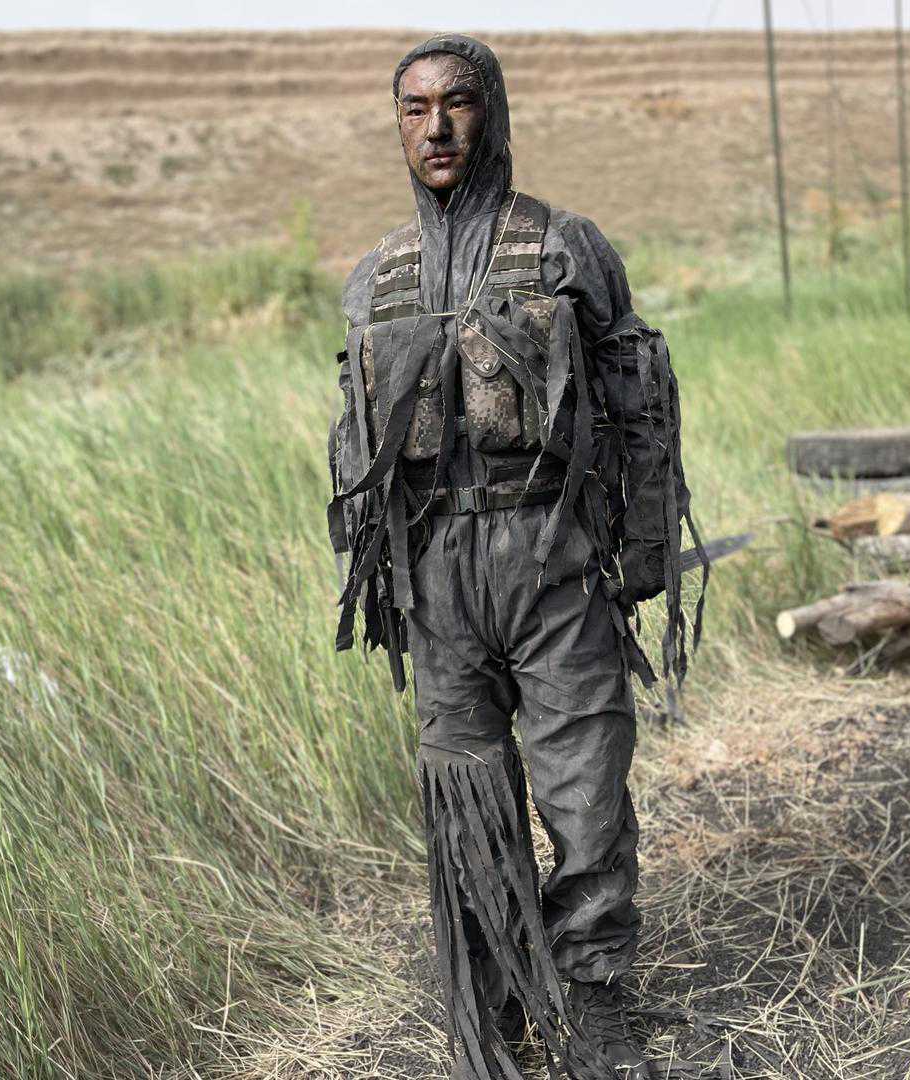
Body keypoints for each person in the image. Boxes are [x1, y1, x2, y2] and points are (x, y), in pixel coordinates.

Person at [326, 33, 707, 1080]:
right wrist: (374, 572)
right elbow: (354, 439)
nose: (436, 127)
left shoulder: (564, 248)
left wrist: (641, 546)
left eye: (456, 103)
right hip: (434, 572)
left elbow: (639, 402)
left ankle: (593, 998)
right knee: (465, 789)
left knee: (585, 784)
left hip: (550, 556)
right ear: (397, 125)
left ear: (491, 112)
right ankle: (498, 991)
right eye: (414, 109)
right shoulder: (375, 280)